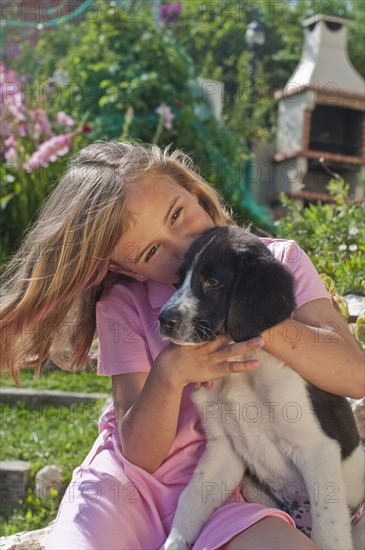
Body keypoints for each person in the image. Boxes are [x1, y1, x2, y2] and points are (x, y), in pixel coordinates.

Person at [1, 141, 363, 550]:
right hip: (128, 488)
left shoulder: (277, 262)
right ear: (123, 267)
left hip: (230, 494)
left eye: (177, 214)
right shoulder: (124, 305)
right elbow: (139, 454)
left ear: (191, 188)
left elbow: (355, 376)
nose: (181, 247)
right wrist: (170, 374)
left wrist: (254, 312)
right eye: (152, 250)